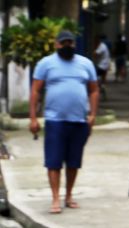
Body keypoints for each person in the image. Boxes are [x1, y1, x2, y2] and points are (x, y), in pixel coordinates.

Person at [29, 30, 99, 214]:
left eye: (70, 43)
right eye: (63, 43)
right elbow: (35, 91)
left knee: (74, 161)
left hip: (79, 120)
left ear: (74, 44)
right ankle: (55, 198)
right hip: (55, 120)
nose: (67, 46)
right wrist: (33, 118)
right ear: (56, 44)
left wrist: (92, 115)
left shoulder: (86, 64)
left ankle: (68, 195)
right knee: (53, 161)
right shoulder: (45, 64)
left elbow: (93, 90)